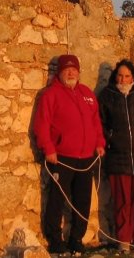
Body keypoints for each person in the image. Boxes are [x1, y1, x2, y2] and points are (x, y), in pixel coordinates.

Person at [33, 54, 106, 255]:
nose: (71, 72)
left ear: (79, 72)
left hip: (87, 157)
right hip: (62, 157)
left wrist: (99, 143)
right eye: (67, 69)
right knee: (57, 200)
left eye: (74, 69)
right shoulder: (51, 94)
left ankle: (76, 239)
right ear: (60, 72)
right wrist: (48, 148)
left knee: (83, 200)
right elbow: (42, 125)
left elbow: (95, 123)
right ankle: (55, 241)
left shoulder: (87, 94)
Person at [97, 60, 134, 253]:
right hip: (118, 156)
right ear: (115, 77)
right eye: (120, 75)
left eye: (127, 75)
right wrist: (110, 138)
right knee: (122, 201)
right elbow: (101, 123)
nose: (123, 79)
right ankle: (124, 240)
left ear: (133, 77)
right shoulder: (107, 96)